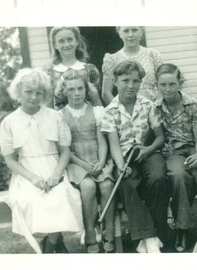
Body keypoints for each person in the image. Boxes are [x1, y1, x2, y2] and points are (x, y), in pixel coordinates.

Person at [0, 68, 83, 253]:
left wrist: (56, 175)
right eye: (28, 92)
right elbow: (11, 161)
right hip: (27, 172)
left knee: (61, 196)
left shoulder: (54, 116)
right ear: (19, 92)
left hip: (55, 168)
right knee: (32, 199)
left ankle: (50, 245)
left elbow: (65, 151)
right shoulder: (9, 122)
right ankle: (57, 244)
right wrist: (34, 178)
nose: (34, 97)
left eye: (39, 93)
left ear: (44, 94)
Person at [101, 60, 169, 253]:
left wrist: (147, 150)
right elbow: (114, 145)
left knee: (157, 177)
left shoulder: (148, 105)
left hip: (147, 152)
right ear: (115, 81)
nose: (131, 85)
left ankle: (154, 233)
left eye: (135, 81)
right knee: (126, 181)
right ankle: (148, 237)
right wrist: (121, 165)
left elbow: (160, 138)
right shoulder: (109, 111)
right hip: (123, 157)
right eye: (125, 80)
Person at [154, 63, 197, 252]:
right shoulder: (155, 107)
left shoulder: (191, 104)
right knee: (179, 176)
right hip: (173, 152)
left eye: (172, 84)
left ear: (180, 83)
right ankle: (182, 227)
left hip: (194, 147)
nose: (168, 89)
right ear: (157, 85)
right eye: (163, 85)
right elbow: (158, 136)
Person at [59, 71, 115, 253]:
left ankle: (109, 231)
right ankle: (90, 232)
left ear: (86, 89)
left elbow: (102, 140)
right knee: (88, 186)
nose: (76, 93)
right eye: (71, 89)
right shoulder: (60, 116)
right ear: (64, 91)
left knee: (106, 185)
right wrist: (83, 165)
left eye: (80, 88)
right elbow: (65, 149)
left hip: (98, 158)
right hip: (76, 162)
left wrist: (101, 161)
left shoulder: (97, 111)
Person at [101, 26, 163, 105]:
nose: (130, 35)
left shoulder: (153, 54)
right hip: (126, 110)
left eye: (134, 30)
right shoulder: (112, 59)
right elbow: (106, 93)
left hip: (153, 107)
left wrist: (156, 108)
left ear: (141, 32)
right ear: (119, 33)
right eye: (126, 31)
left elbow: (162, 84)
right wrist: (121, 112)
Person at [48, 26, 102, 109]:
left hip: (88, 119)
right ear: (55, 45)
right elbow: (48, 106)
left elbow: (96, 102)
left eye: (70, 39)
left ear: (77, 42)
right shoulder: (50, 73)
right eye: (61, 41)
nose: (66, 44)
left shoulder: (90, 70)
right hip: (61, 120)